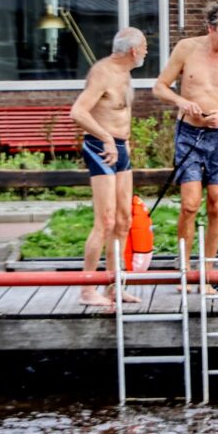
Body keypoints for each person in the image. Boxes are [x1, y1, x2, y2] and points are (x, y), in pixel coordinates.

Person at [152, 1, 218, 279]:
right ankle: (184, 267)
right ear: (210, 28)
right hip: (189, 134)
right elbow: (159, 87)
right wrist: (182, 102)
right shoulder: (186, 48)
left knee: (217, 202)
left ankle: (207, 271)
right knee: (190, 204)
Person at [70, 27, 148, 306]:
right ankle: (88, 289)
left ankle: (114, 286)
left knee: (124, 219)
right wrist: (106, 138)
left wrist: (123, 141)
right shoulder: (103, 72)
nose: (147, 52)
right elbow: (78, 111)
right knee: (106, 221)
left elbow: (117, 113)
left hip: (120, 148)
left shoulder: (124, 73)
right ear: (133, 51)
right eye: (145, 47)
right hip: (100, 147)